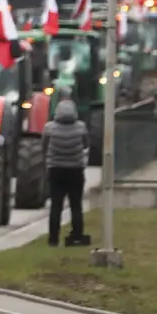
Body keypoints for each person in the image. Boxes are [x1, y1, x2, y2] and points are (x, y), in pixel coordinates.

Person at [42, 98, 91, 247]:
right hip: (76, 170)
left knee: (56, 206)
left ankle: (53, 239)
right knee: (76, 205)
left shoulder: (49, 128)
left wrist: (50, 159)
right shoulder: (81, 127)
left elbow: (44, 146)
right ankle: (76, 236)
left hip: (55, 170)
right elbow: (86, 144)